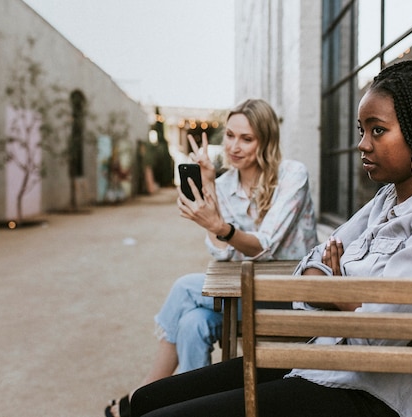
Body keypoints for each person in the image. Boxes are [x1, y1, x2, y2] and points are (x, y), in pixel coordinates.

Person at [127, 60, 412, 417]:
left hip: (378, 397)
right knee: (146, 400)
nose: (362, 145)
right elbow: (309, 272)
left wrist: (335, 289)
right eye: (360, 130)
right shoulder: (388, 198)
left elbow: (377, 337)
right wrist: (341, 294)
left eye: (377, 130)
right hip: (323, 361)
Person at [105, 99, 318, 417]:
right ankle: (191, 407)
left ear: (266, 140)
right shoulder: (224, 184)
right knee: (192, 323)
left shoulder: (292, 175)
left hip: (292, 297)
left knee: (184, 287)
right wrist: (208, 189)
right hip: (245, 296)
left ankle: (145, 391)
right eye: (230, 135)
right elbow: (223, 253)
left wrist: (220, 226)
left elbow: (265, 245)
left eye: (247, 139)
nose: (234, 146)